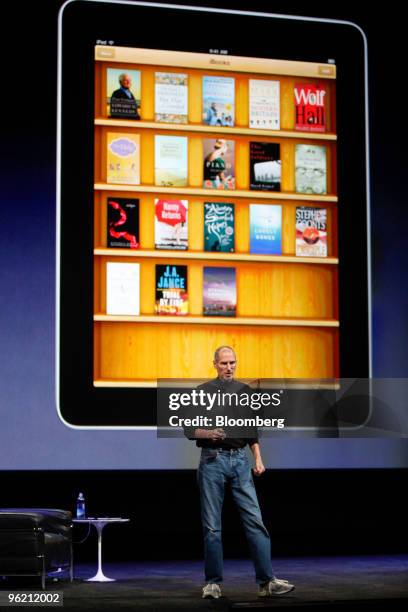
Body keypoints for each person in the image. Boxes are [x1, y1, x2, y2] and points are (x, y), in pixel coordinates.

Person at [186, 346, 295, 599]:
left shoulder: (244, 393)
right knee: (212, 527)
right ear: (214, 364)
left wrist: (258, 458)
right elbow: (189, 429)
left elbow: (251, 432)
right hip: (213, 461)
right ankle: (212, 583)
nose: (229, 367)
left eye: (232, 363)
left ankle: (267, 582)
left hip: (240, 462)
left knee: (255, 522)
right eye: (224, 363)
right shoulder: (202, 393)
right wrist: (209, 433)